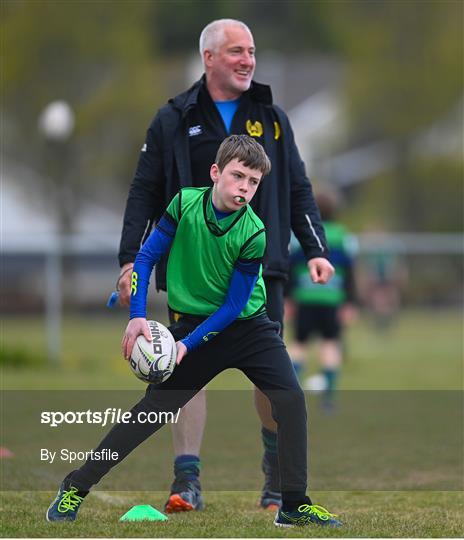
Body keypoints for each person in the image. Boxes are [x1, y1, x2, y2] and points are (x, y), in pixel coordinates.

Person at [47, 136, 341, 528]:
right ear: (216, 173)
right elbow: (148, 256)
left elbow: (235, 306)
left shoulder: (254, 232)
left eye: (253, 182)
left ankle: (293, 505)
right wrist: (137, 316)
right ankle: (74, 487)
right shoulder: (184, 204)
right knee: (149, 413)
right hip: (192, 323)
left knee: (290, 401)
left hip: (249, 330)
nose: (245, 188)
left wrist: (186, 344)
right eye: (238, 176)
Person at [117, 18, 334, 512]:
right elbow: (144, 192)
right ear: (208, 57)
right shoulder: (173, 117)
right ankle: (186, 479)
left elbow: (298, 186)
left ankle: (277, 476)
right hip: (191, 277)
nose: (247, 59)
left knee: (270, 378)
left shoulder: (272, 115)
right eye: (236, 51)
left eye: (252, 50)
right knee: (183, 370)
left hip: (261, 269)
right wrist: (130, 257)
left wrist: (316, 249)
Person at [286, 190, 358, 411]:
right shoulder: (344, 237)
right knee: (330, 344)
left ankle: (289, 395)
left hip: (305, 298)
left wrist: (288, 298)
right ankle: (328, 399)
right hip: (332, 300)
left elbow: (291, 268)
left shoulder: (300, 235)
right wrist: (350, 302)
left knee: (299, 344)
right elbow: (350, 273)